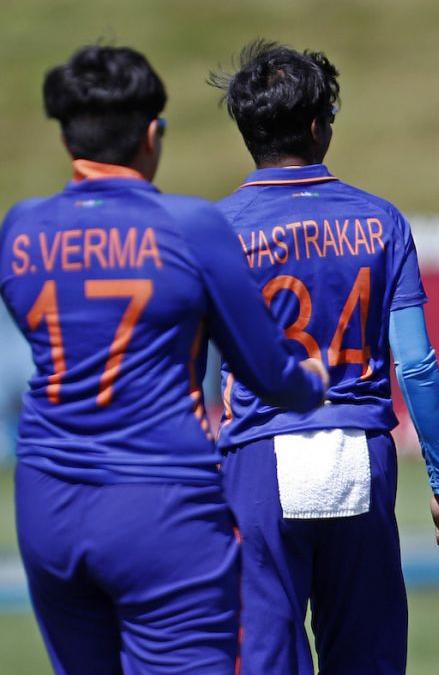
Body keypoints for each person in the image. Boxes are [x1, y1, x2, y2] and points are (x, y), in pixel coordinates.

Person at [0, 45, 329, 674]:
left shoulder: (20, 227)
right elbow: (268, 371)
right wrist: (309, 381)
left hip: (46, 501)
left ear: (68, 139)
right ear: (153, 135)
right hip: (160, 503)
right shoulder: (190, 226)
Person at [209, 41, 439, 675]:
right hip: (361, 451)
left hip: (259, 454)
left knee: (264, 657)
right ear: (316, 124)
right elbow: (416, 364)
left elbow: (194, 367)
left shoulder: (217, 228)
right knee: (368, 656)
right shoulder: (380, 221)